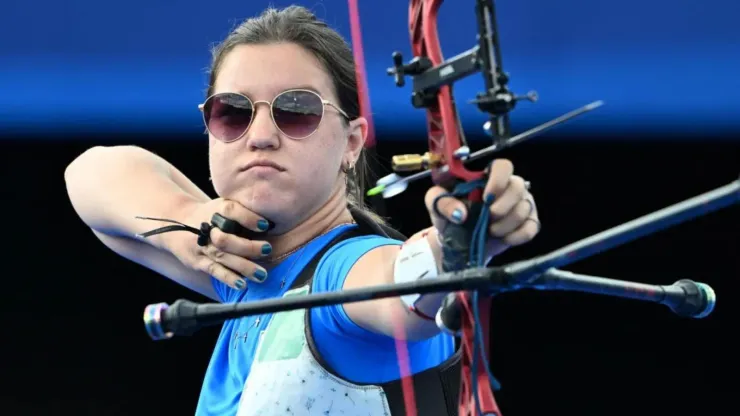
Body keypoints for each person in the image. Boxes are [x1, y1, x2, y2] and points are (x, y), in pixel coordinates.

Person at [64, 5, 540, 415]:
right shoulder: (244, 277)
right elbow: (89, 175)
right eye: (233, 112)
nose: (262, 135)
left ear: (351, 143)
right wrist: (189, 229)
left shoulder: (343, 271)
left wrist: (457, 243)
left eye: (296, 111)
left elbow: (400, 290)